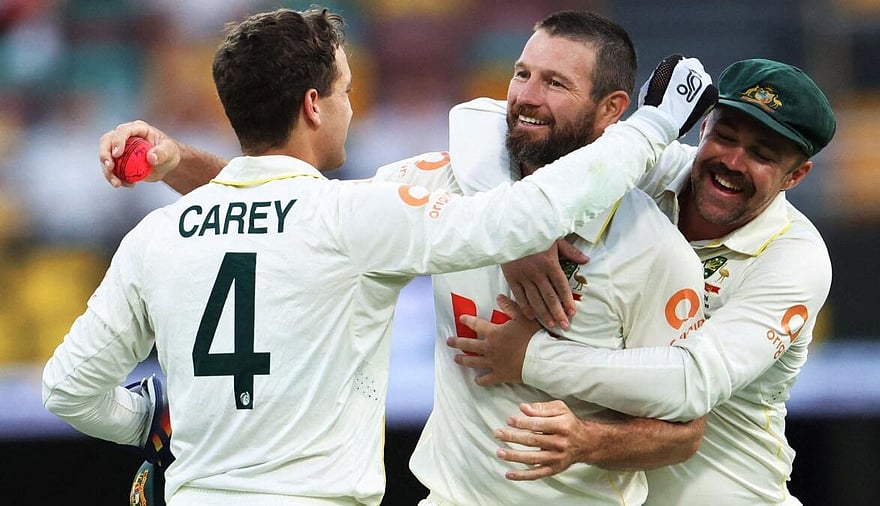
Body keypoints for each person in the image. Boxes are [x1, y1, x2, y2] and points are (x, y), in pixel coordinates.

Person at [48, 6, 716, 506]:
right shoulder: (355, 219)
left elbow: (67, 389)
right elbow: (522, 215)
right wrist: (655, 126)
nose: (351, 107)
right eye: (343, 91)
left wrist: (145, 418)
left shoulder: (157, 236)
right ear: (314, 105)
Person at [448, 57, 836, 506]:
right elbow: (478, 120)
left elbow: (692, 384)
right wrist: (518, 232)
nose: (732, 161)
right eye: (725, 137)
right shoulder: (651, 165)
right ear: (703, 126)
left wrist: (531, 357)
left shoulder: (794, 258)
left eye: (762, 155)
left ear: (796, 175)